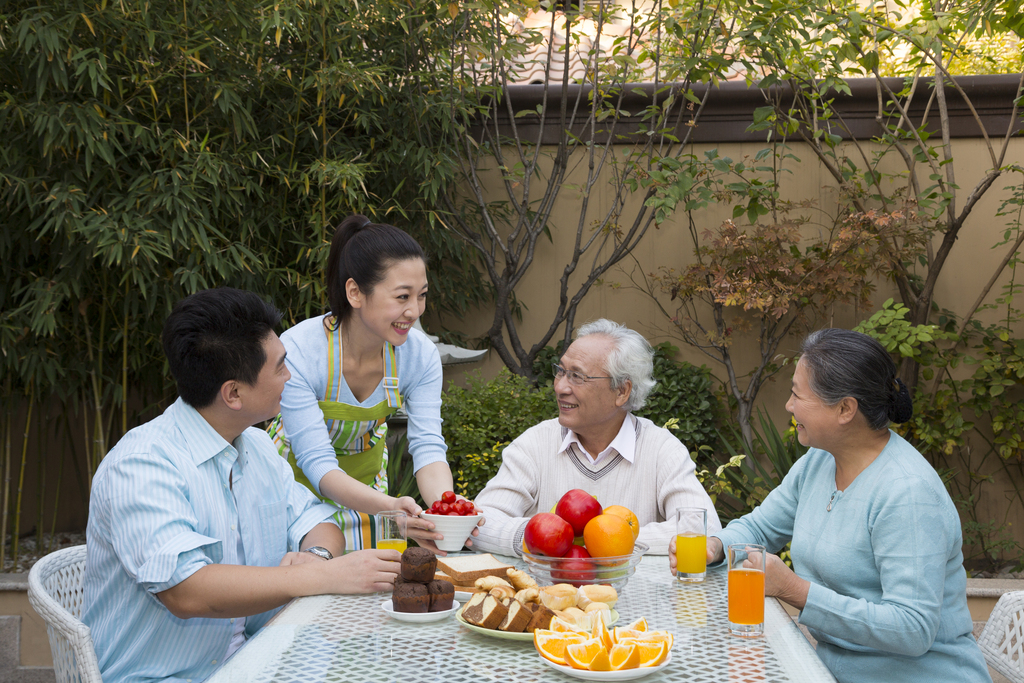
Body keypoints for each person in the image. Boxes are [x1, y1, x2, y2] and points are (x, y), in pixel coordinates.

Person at [82, 288, 401, 683]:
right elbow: (186, 590)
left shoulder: (258, 446)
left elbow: (319, 521)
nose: (292, 377)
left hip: (263, 658)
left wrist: (315, 557)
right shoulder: (140, 464)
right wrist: (322, 576)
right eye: (282, 368)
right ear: (233, 393)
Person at [669, 328, 991, 683]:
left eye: (797, 395)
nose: (789, 406)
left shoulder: (907, 493)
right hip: (825, 671)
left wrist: (794, 589)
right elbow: (759, 529)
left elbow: (912, 628)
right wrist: (714, 547)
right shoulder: (818, 462)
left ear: (845, 409)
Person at [268, 215, 469, 554]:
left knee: (371, 586)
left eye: (421, 296)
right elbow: (317, 463)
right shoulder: (302, 350)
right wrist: (389, 506)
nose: (415, 311)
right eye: (402, 296)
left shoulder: (418, 356)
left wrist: (445, 511)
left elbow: (428, 447)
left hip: (368, 487)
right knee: (302, 584)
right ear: (355, 292)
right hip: (294, 485)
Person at [472, 319, 721, 556]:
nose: (560, 387)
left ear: (622, 391)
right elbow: (479, 522)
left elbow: (703, 529)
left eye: (577, 376)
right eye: (561, 371)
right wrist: (546, 540)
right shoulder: (536, 443)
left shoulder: (661, 449)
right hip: (549, 597)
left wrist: (602, 544)